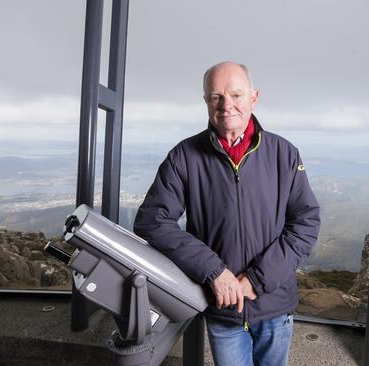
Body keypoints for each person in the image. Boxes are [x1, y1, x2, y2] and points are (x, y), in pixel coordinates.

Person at [133, 61, 320, 366]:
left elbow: (305, 222)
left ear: (254, 97)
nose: (226, 105)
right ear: (206, 101)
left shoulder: (284, 153)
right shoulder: (184, 156)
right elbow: (152, 221)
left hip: (274, 304)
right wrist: (214, 272)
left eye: (236, 95)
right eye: (216, 97)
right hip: (223, 308)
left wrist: (257, 279)